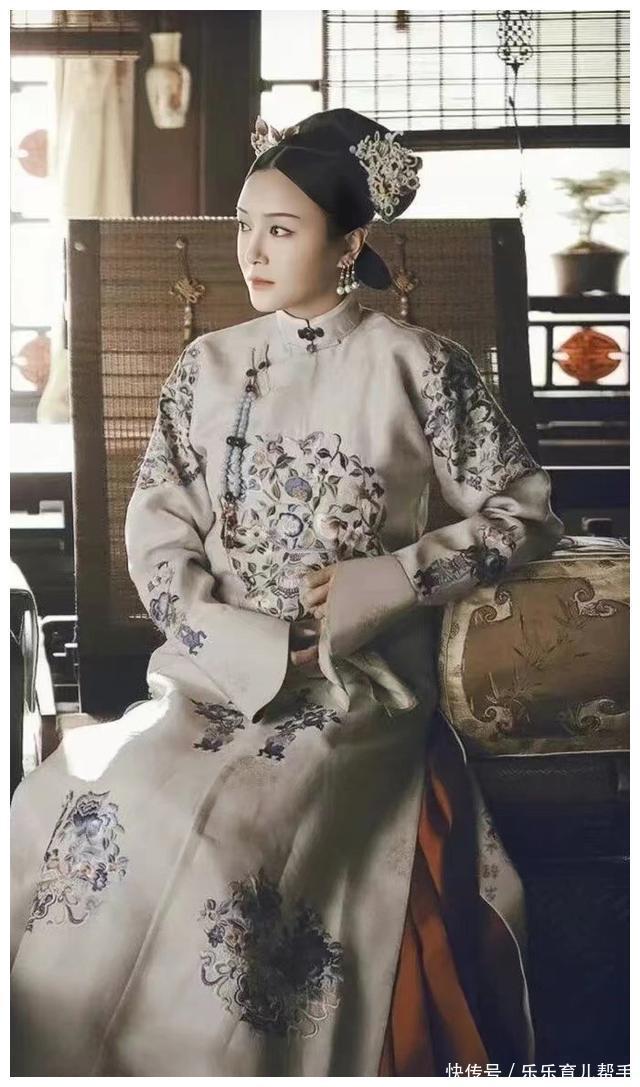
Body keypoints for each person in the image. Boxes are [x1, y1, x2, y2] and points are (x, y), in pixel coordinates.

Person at [10, 108, 563, 1077]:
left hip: (356, 686)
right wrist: (230, 637)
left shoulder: (421, 364)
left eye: (281, 228)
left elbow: (524, 512)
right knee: (108, 798)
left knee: (231, 841)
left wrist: (389, 582)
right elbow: (158, 534)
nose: (252, 251)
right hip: (211, 676)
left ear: (349, 243)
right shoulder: (206, 366)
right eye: (244, 225)